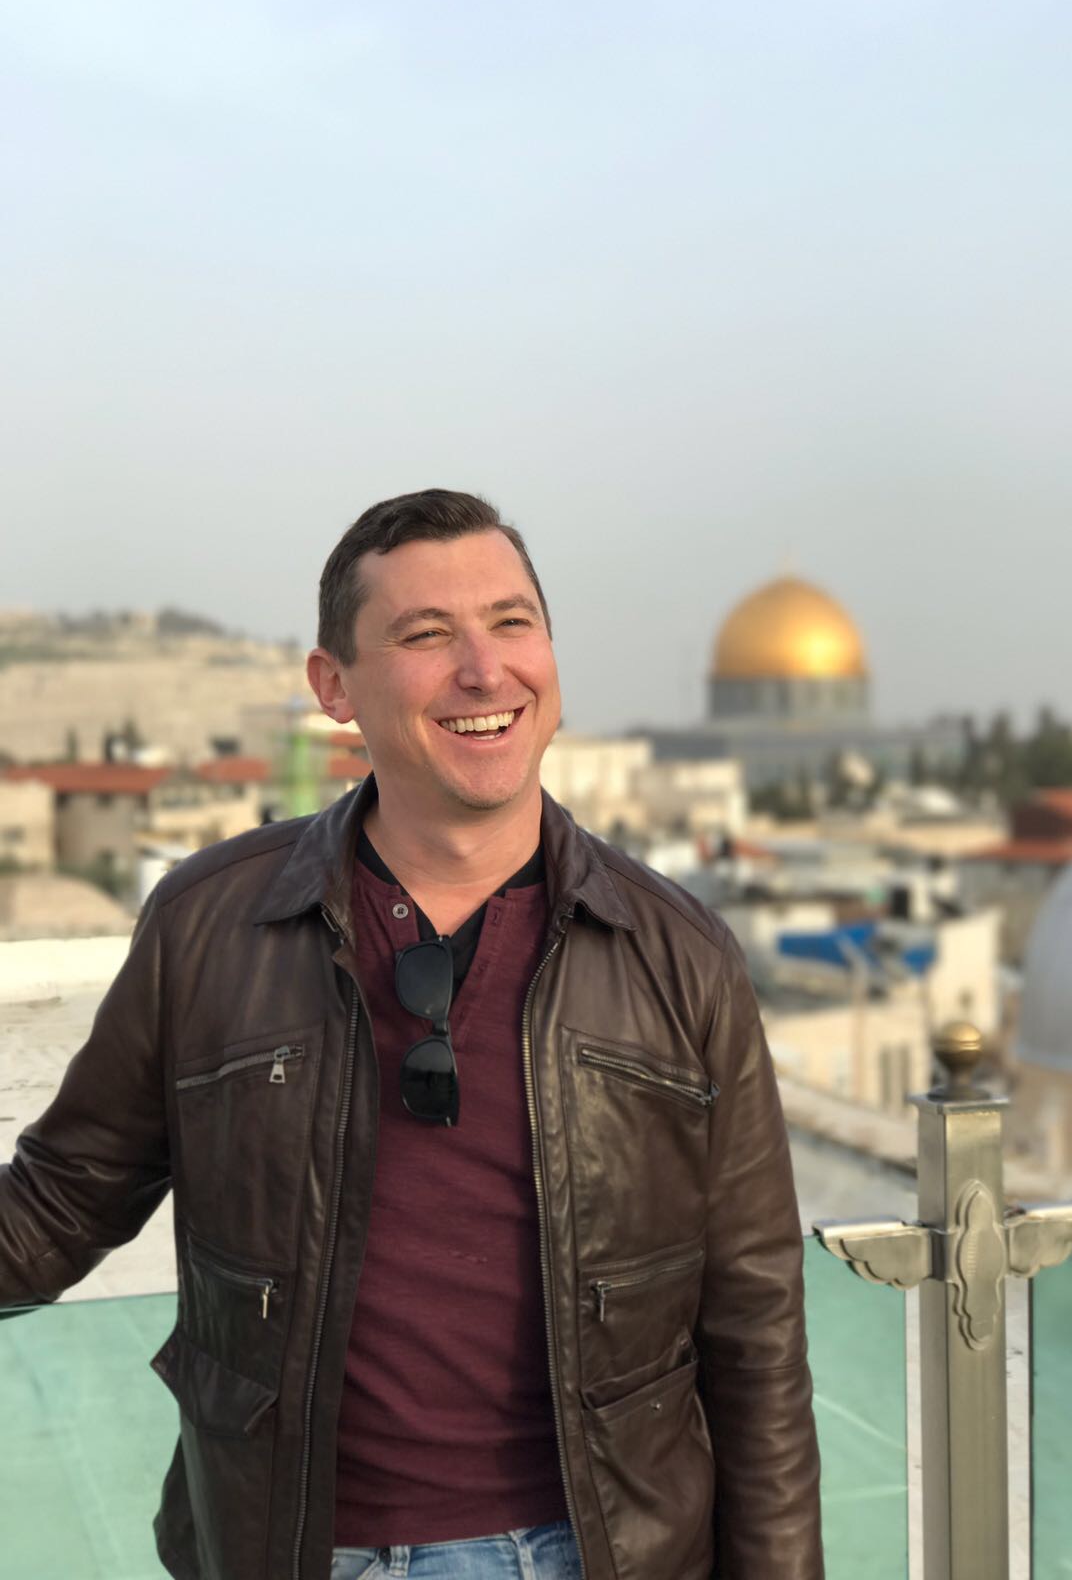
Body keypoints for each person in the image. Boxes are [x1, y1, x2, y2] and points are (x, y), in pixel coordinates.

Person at [0, 490, 823, 1580]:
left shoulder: (678, 956)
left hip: (599, 1555)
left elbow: (756, 1336)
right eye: (426, 635)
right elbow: (59, 1203)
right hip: (289, 1551)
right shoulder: (211, 926)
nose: (485, 670)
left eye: (512, 621)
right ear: (334, 687)